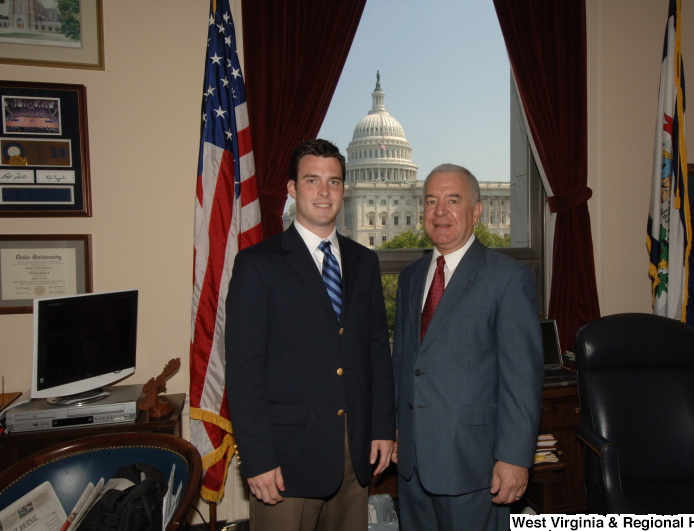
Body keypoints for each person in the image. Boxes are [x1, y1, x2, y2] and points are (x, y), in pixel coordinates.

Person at [225, 139, 395, 531]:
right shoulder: (257, 265)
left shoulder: (364, 261)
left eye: (333, 182)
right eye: (312, 180)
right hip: (286, 459)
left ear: (344, 190)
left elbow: (376, 353)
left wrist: (384, 428)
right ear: (291, 188)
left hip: (355, 453)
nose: (323, 192)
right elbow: (245, 373)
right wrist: (258, 458)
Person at [392, 163, 543, 531]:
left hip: (474, 465)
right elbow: (405, 364)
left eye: (452, 200)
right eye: (430, 201)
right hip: (412, 466)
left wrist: (514, 458)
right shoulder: (411, 278)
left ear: (476, 211)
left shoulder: (508, 277)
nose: (439, 211)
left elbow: (521, 378)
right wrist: (397, 430)